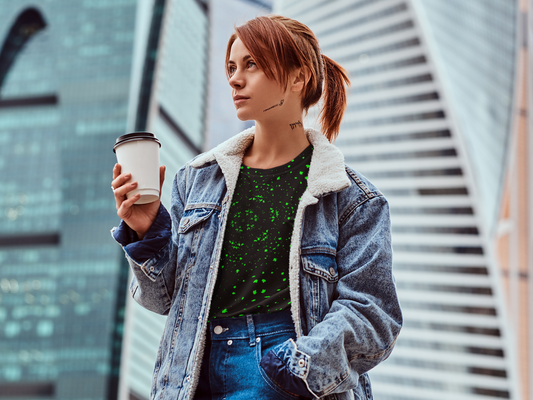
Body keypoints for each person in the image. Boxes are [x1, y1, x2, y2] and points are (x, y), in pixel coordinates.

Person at [111, 15, 401, 400]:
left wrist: (298, 363)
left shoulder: (353, 199)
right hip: (192, 376)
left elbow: (372, 313)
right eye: (231, 67)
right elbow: (165, 300)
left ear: (298, 78)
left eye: (252, 64)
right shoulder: (196, 180)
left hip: (287, 372)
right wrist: (148, 231)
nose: (234, 78)